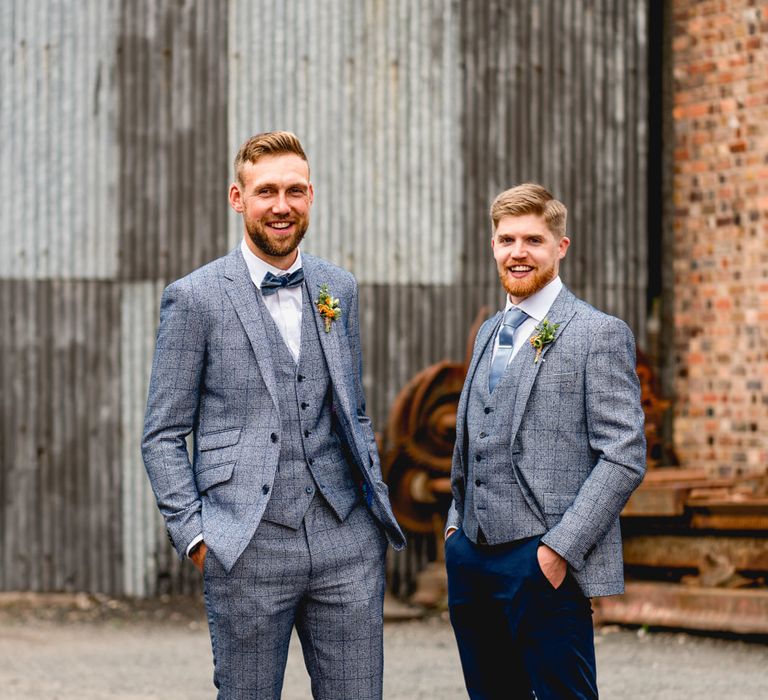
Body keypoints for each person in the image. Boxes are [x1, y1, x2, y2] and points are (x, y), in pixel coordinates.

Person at [142, 131, 405, 700]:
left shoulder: (339, 287)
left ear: (310, 196)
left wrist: (369, 513)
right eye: (266, 192)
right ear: (238, 199)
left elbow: (351, 410)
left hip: (345, 540)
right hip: (245, 542)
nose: (280, 206)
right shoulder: (195, 298)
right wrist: (196, 536)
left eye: (293, 191)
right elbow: (162, 434)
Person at [444, 183, 646, 699]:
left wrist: (559, 550)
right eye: (506, 239)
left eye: (533, 240)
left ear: (561, 246)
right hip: (473, 558)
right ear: (493, 246)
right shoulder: (490, 330)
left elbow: (623, 455)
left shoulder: (597, 333)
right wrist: (454, 532)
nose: (518, 253)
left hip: (544, 562)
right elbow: (472, 439)